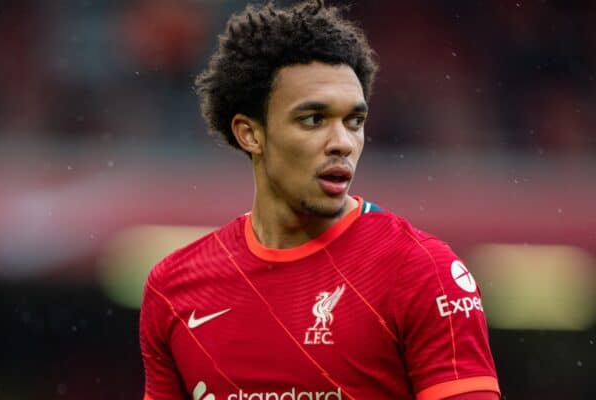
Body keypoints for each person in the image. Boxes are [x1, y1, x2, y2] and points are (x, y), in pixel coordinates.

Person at [139, 1, 500, 399]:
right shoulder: (173, 288)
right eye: (314, 120)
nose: (342, 143)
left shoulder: (423, 272)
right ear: (250, 134)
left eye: (354, 121)